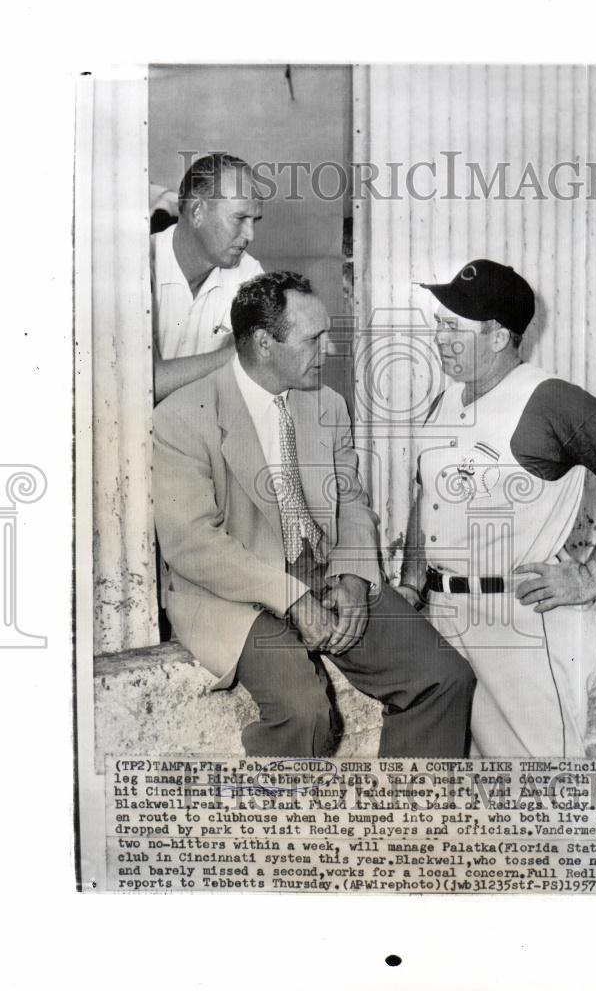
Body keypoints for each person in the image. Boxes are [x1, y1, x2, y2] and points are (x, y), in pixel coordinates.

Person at [153, 270, 475, 757]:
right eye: (313, 339)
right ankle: (277, 827)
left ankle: (409, 822)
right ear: (264, 343)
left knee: (443, 678)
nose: (327, 352)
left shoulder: (328, 404)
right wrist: (291, 598)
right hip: (236, 592)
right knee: (305, 713)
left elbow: (351, 504)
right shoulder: (181, 416)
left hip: (322, 572)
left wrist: (352, 577)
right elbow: (192, 545)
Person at [398, 259, 596, 758]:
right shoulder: (444, 401)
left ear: (499, 337)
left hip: (520, 624)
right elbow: (428, 494)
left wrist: (591, 577)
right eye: (438, 324)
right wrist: (413, 581)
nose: (439, 338)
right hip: (445, 617)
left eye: (453, 327)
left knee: (540, 801)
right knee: (468, 804)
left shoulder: (551, 400)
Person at [151, 153, 264, 402]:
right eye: (240, 218)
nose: (250, 235)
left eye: (255, 220)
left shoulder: (248, 273)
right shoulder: (137, 264)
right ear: (197, 211)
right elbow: (144, 385)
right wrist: (236, 355)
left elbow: (264, 367)